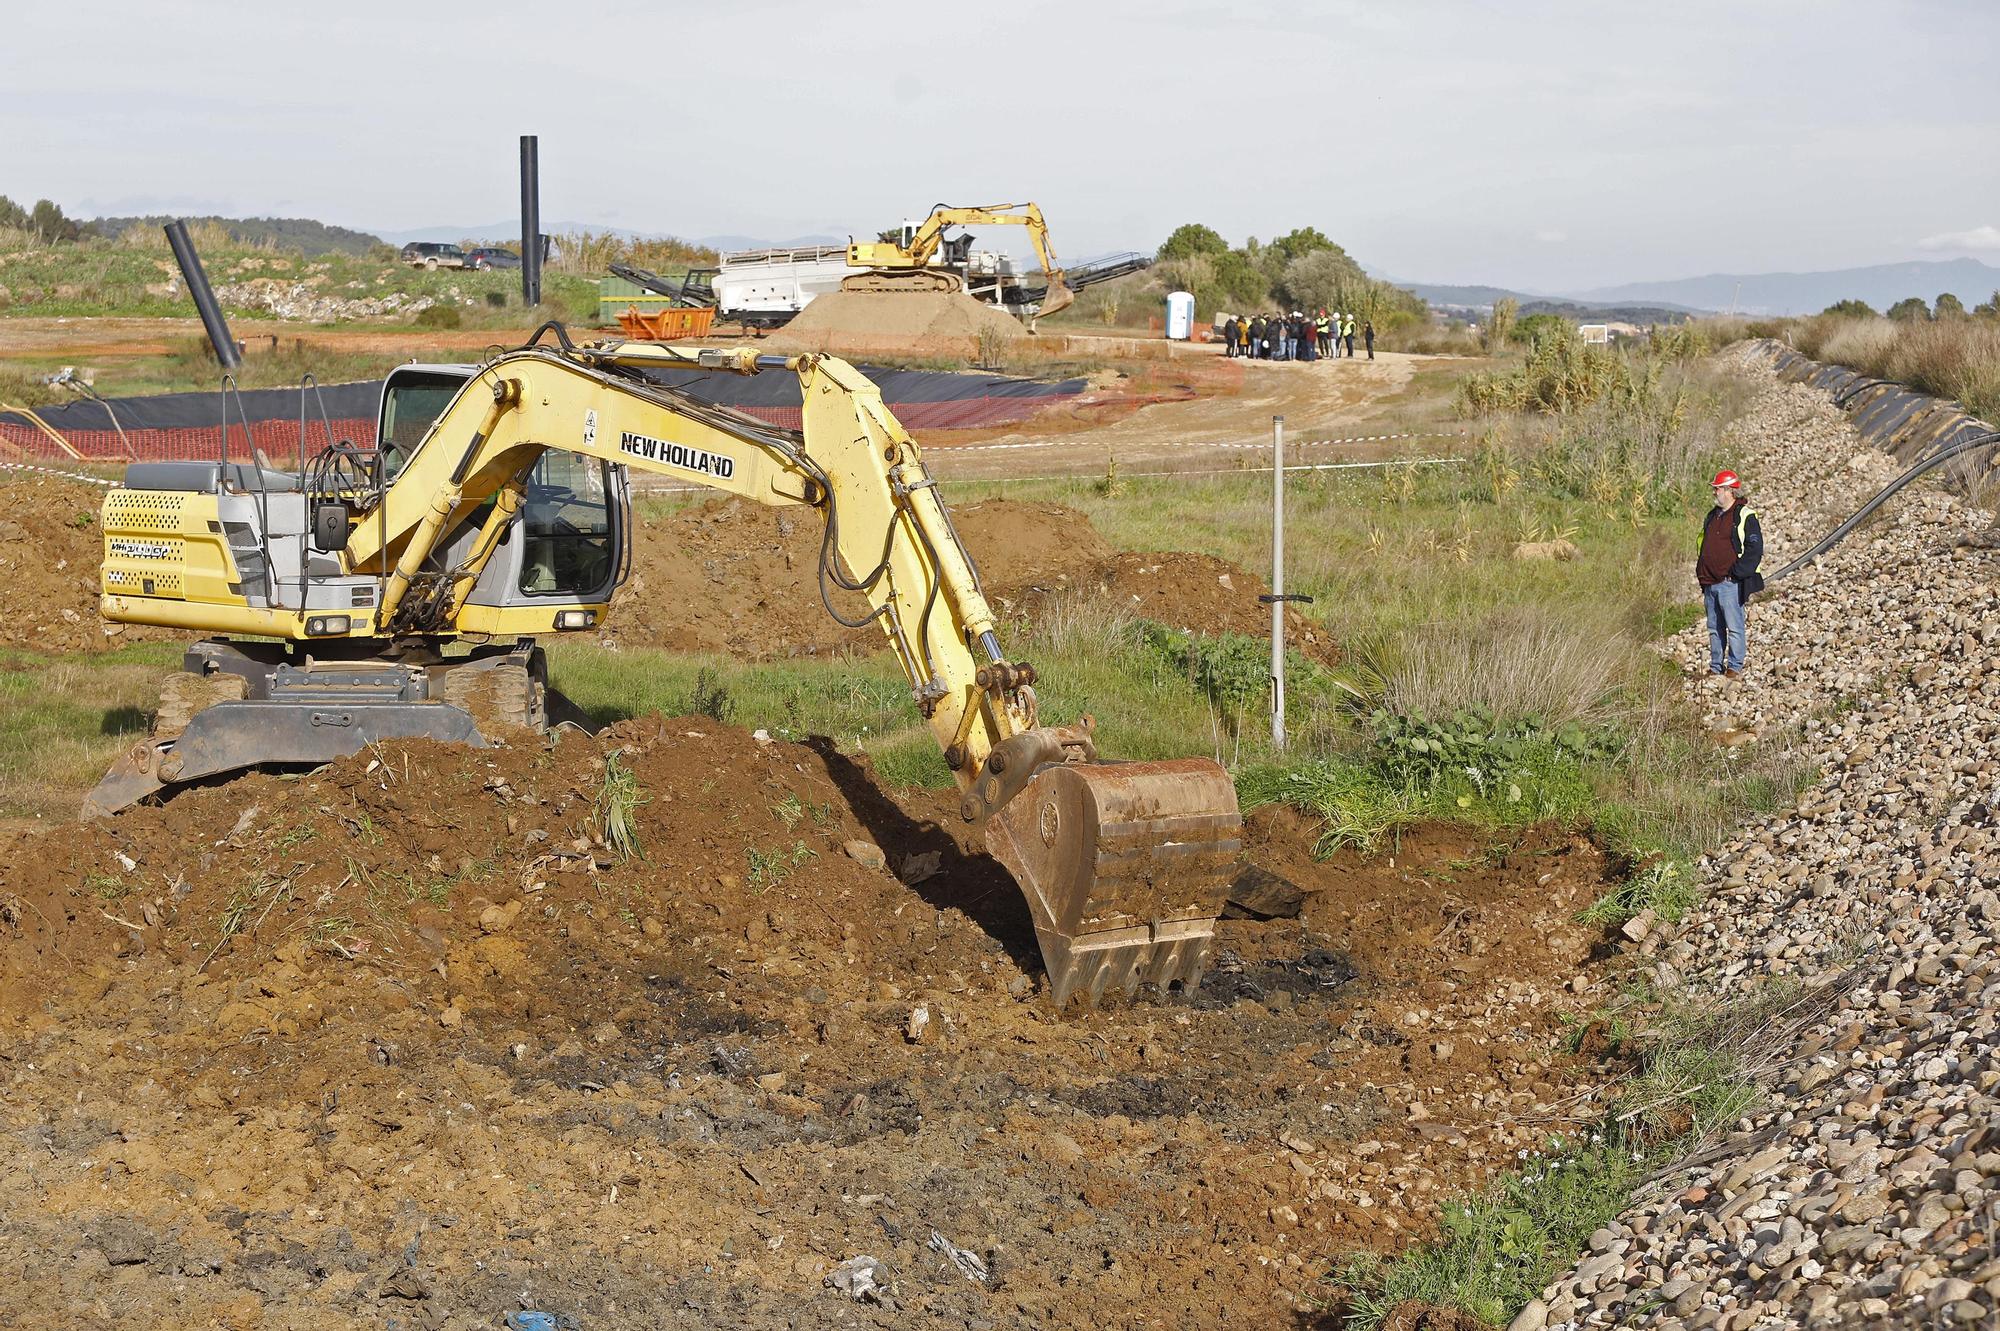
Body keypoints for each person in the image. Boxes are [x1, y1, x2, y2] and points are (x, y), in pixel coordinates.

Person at [1696, 470, 1764, 679]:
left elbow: (1755, 549)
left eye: (1717, 488)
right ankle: (1716, 667)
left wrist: (1736, 573)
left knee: (1734, 627)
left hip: (1729, 583)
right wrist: (1702, 572)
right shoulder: (1713, 515)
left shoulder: (1744, 515)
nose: (1714, 492)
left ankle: (1734, 667)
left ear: (1728, 490)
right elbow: (1703, 544)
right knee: (1714, 628)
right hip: (1710, 582)